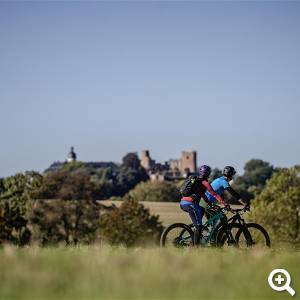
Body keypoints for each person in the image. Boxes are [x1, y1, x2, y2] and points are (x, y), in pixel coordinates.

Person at [179, 165, 227, 245]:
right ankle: (195, 247)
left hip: (183, 203)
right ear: (208, 173)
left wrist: (209, 203)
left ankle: (195, 237)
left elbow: (203, 195)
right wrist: (224, 203)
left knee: (200, 213)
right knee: (199, 226)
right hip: (191, 204)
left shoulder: (196, 181)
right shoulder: (204, 182)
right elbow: (214, 193)